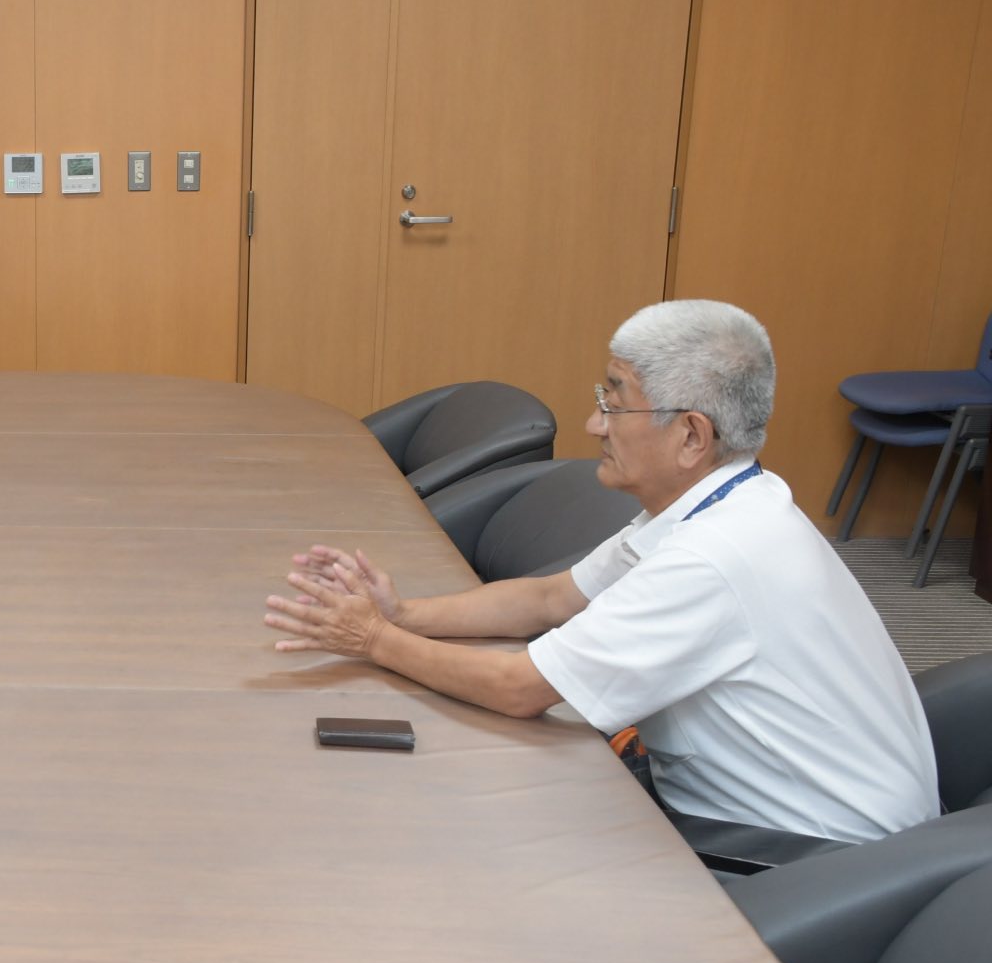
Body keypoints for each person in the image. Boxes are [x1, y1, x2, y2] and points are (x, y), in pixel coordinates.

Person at [264, 299, 939, 844]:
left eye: (615, 404)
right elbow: (550, 598)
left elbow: (521, 688)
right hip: (781, 816)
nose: (594, 423)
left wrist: (373, 640)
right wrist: (403, 615)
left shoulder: (713, 556)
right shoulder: (727, 500)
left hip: (803, 850)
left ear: (691, 435)